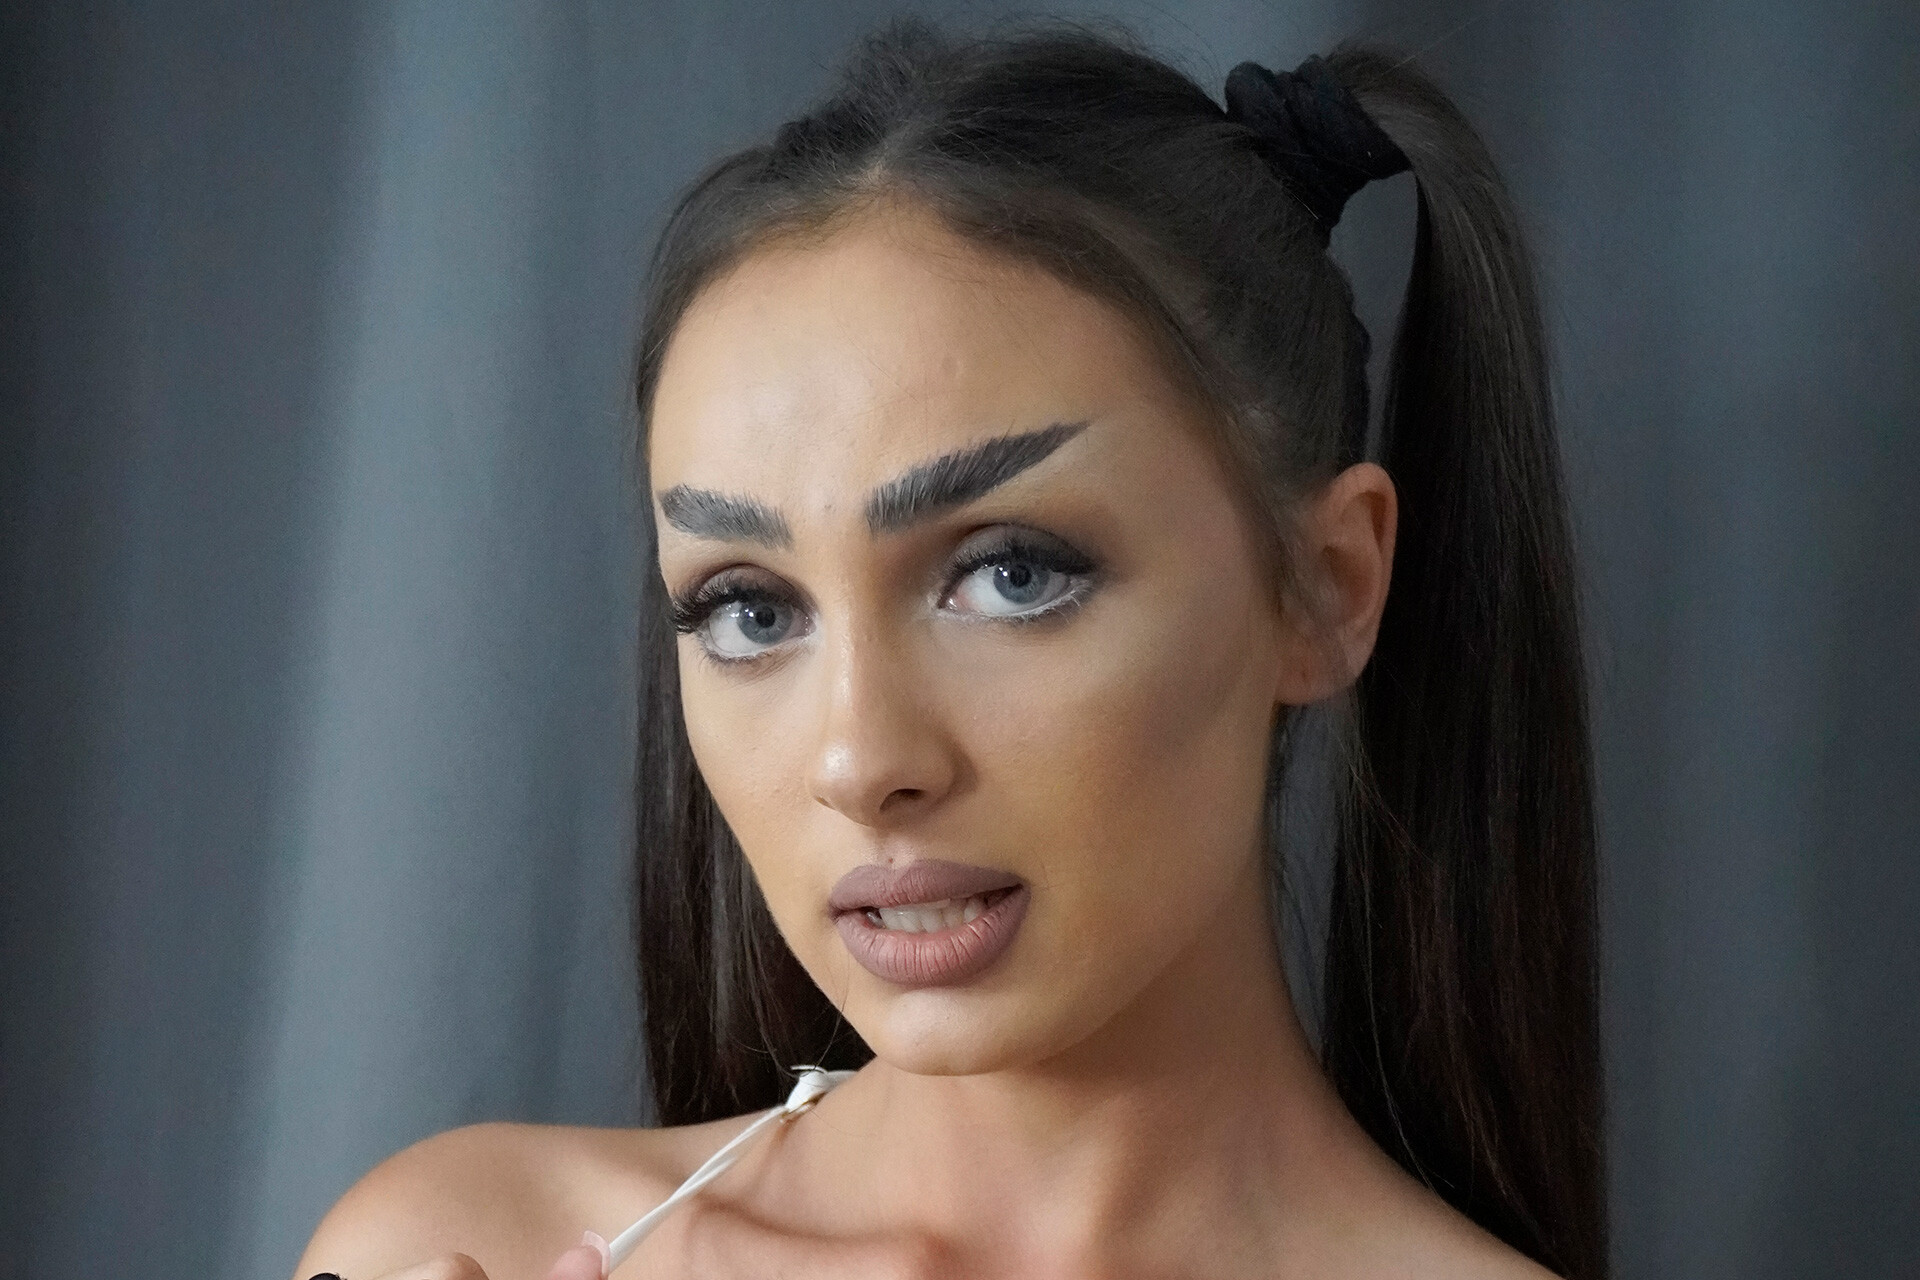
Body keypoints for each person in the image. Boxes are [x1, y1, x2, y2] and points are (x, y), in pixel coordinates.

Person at [294, 18, 1604, 1280]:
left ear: (1325, 589)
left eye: (1011, 575)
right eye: (753, 610)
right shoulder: (457, 1242)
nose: (861, 762)